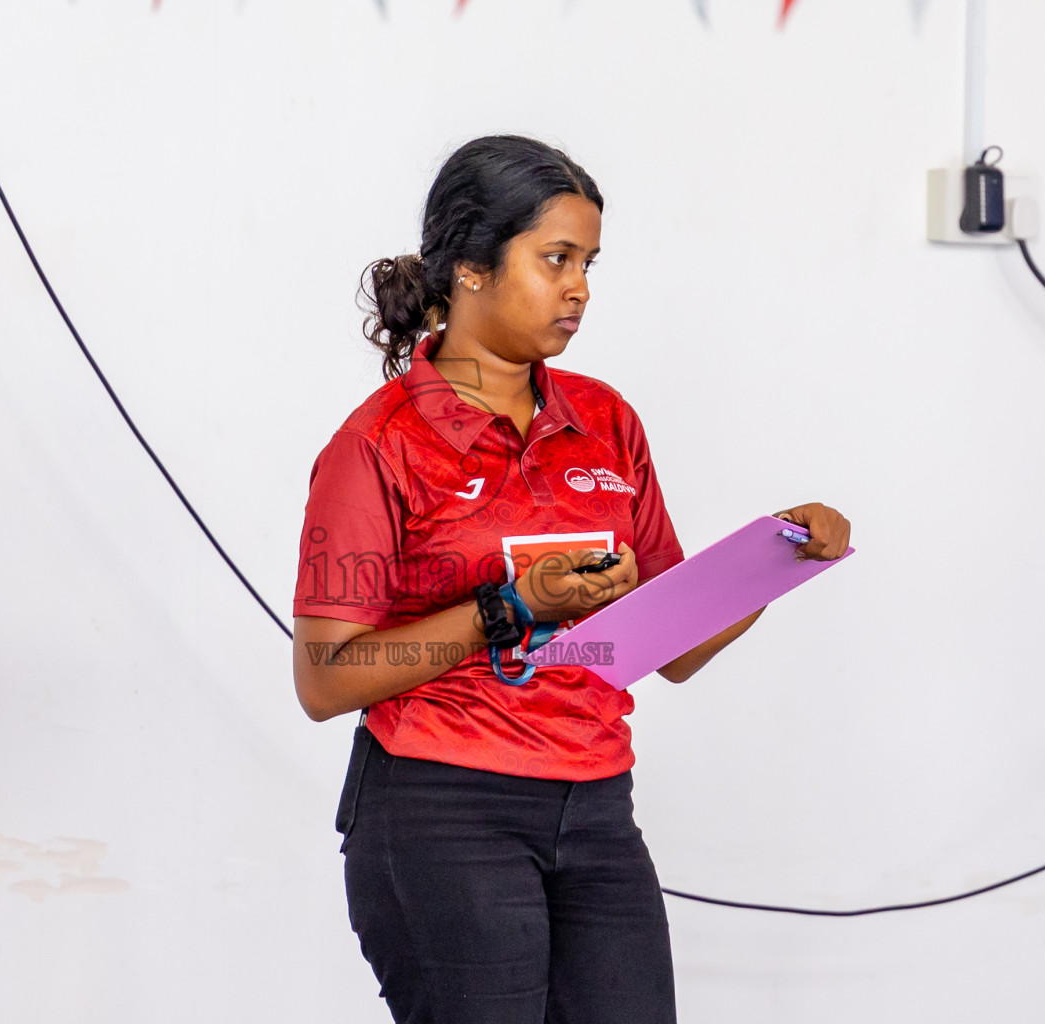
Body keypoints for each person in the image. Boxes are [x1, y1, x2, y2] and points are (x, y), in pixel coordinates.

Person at [291, 134, 851, 1024]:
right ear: (472, 265)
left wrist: (776, 559)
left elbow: (669, 644)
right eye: (556, 259)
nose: (580, 287)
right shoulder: (379, 446)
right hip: (442, 811)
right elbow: (325, 680)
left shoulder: (604, 420)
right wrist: (510, 606)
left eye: (588, 262)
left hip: (594, 810)